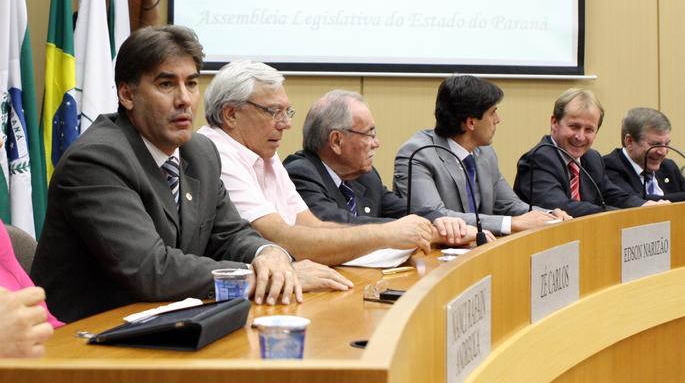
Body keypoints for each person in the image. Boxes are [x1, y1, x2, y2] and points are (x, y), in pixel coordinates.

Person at [32, 26, 299, 323]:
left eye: (191, 83)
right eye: (166, 84)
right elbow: (150, 269)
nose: (184, 99)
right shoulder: (96, 159)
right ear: (127, 95)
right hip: (83, 336)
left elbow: (230, 234)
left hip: (166, 322)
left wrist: (268, 254)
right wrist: (255, 275)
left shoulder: (201, 153)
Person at [198, 62, 473, 273]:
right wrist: (387, 234)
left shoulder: (265, 154)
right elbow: (281, 239)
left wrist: (411, 230)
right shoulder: (216, 153)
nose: (286, 124)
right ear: (231, 114)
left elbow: (312, 226)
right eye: (273, 112)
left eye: (287, 112)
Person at [283, 89, 491, 243]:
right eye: (369, 134)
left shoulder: (365, 176)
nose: (376, 143)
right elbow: (335, 225)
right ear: (336, 141)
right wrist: (422, 232)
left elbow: (404, 210)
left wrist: (441, 221)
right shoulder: (300, 173)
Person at [394, 75, 570, 237]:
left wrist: (549, 216)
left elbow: (509, 205)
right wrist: (511, 223)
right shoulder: (417, 154)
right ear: (471, 122)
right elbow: (435, 216)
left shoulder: (485, 152)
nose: (498, 119)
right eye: (492, 113)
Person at [514, 89, 660, 217]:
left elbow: (612, 195)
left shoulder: (592, 158)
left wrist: (643, 206)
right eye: (574, 126)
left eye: (589, 129)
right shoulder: (538, 159)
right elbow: (561, 206)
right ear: (554, 123)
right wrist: (615, 214)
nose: (580, 137)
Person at [603, 107, 685, 202]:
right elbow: (634, 201)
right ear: (629, 142)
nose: (663, 152)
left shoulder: (668, 167)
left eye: (666, 144)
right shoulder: (609, 166)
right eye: (655, 144)